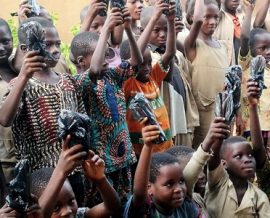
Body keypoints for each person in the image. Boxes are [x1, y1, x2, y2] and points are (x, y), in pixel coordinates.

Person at [0, 17, 86, 206]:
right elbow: (5, 119)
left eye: (57, 44)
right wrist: (23, 76)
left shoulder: (68, 81)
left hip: (75, 173)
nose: (55, 50)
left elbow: (82, 125)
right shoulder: (20, 85)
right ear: (24, 49)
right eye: (47, 44)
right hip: (40, 180)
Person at [75, 6, 142, 206]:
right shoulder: (81, 82)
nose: (105, 62)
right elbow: (94, 69)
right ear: (80, 61)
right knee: (105, 206)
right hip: (102, 163)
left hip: (124, 157)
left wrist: (128, 29)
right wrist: (105, 30)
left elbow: (136, 61)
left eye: (106, 56)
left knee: (126, 205)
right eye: (99, 55)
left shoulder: (112, 77)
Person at [205, 80, 270, 217]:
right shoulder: (217, 184)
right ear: (223, 163)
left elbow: (258, 149)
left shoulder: (259, 198)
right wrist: (219, 132)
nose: (247, 160)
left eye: (249, 156)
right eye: (238, 156)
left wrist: (253, 106)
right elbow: (213, 158)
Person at [140, 1, 199, 147]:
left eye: (166, 29)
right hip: (165, 122)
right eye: (156, 30)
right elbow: (168, 75)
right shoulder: (147, 59)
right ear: (143, 31)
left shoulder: (177, 54)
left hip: (181, 119)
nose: (162, 34)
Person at [123, 117, 207, 217]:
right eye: (169, 184)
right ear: (149, 189)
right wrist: (148, 146)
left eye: (181, 181)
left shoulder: (186, 207)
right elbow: (139, 193)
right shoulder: (145, 209)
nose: (178, 189)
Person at [121, 0, 175, 155]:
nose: (146, 68)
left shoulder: (153, 77)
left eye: (149, 63)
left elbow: (169, 53)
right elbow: (134, 57)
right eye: (140, 65)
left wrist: (171, 22)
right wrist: (153, 19)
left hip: (165, 147)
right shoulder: (128, 84)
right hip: (142, 152)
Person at [31, 136, 121, 218]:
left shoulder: (79, 215)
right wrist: (60, 172)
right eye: (55, 208)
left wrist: (100, 180)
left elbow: (112, 208)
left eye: (71, 201)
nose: (67, 211)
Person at [184, 0, 230, 148]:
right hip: (202, 112)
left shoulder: (222, 46)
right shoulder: (192, 44)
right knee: (202, 152)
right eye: (207, 17)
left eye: (216, 17)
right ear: (192, 17)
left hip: (222, 112)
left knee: (220, 152)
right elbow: (197, 20)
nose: (212, 22)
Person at [239, 0, 270, 198]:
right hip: (252, 126)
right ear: (251, 51)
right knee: (252, 169)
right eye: (263, 48)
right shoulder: (247, 64)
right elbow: (243, 38)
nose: (268, 52)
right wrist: (249, 13)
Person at [0, 18, 17, 183]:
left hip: (35, 154)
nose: (1, 48)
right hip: (7, 162)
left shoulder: (21, 67)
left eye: (5, 41)